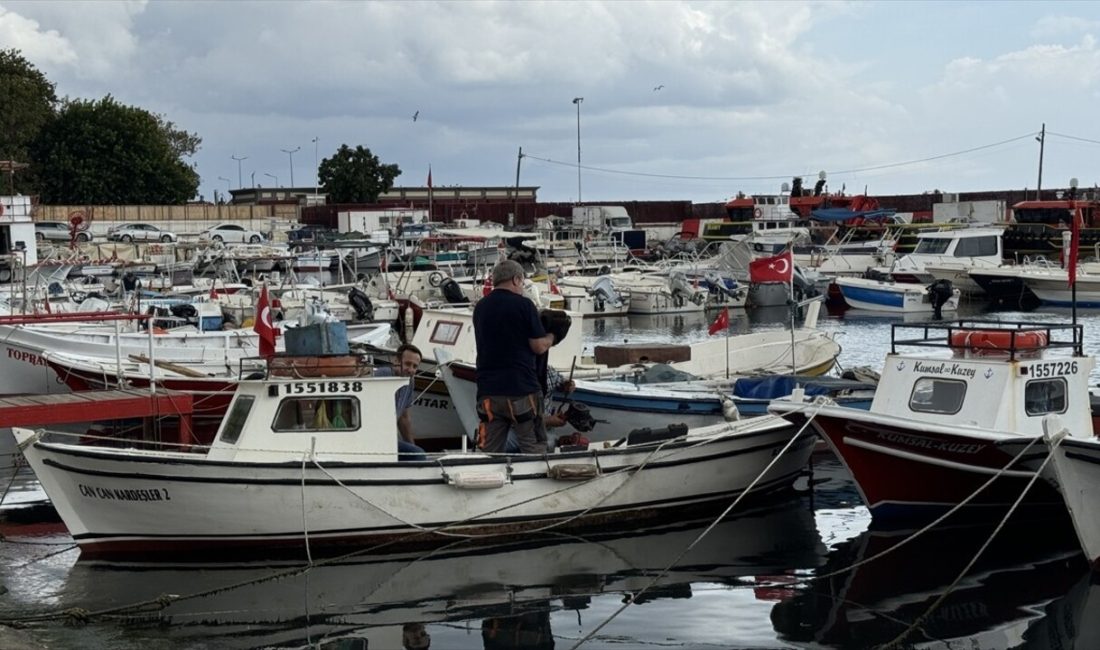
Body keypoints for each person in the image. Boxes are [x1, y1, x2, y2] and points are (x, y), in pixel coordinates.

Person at [473, 260, 555, 454]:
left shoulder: (481, 307)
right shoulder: (524, 305)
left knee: (489, 451)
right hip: (521, 389)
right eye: (523, 282)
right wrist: (552, 336)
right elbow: (537, 346)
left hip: (488, 392)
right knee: (533, 446)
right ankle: (534, 482)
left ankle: (487, 481)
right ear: (517, 279)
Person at [374, 343, 427, 461]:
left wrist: (412, 446)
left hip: (388, 439)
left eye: (415, 366)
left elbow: (404, 418)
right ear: (396, 361)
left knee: (416, 453)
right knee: (418, 455)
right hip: (373, 439)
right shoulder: (383, 375)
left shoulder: (409, 381)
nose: (411, 370)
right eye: (408, 364)